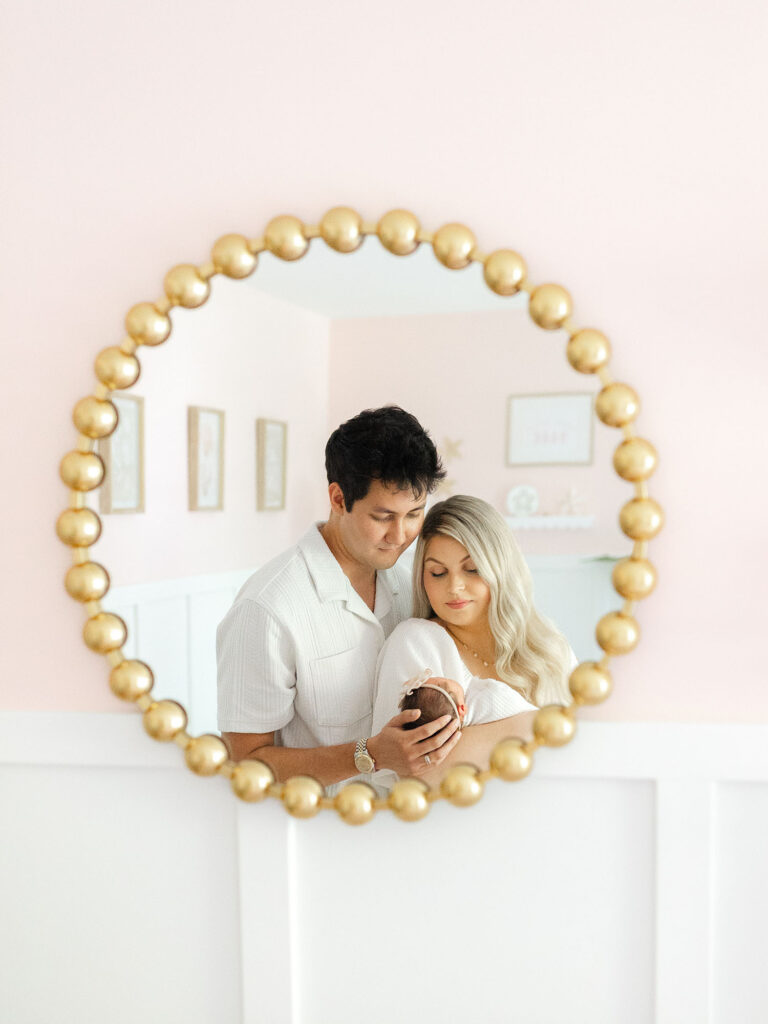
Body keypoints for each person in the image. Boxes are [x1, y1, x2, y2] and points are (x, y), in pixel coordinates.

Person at [216, 406, 463, 791]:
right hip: (321, 832)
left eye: (414, 514)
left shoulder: (413, 581)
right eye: (382, 517)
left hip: (413, 823)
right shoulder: (266, 609)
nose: (400, 536)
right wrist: (371, 754)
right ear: (338, 498)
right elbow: (246, 763)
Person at [371, 494, 574, 785]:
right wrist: (532, 726)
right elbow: (412, 769)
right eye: (438, 573)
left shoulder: (550, 647)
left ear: (499, 568)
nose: (454, 587)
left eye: (472, 569)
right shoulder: (417, 641)